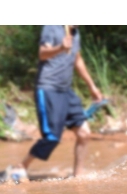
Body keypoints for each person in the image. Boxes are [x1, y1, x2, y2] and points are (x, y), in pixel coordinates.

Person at [11, 25, 103, 180]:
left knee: (84, 133)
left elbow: (77, 59)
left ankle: (78, 176)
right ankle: (21, 167)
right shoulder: (52, 27)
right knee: (52, 137)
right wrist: (61, 47)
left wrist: (92, 87)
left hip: (65, 90)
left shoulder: (75, 33)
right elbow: (42, 53)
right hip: (48, 89)